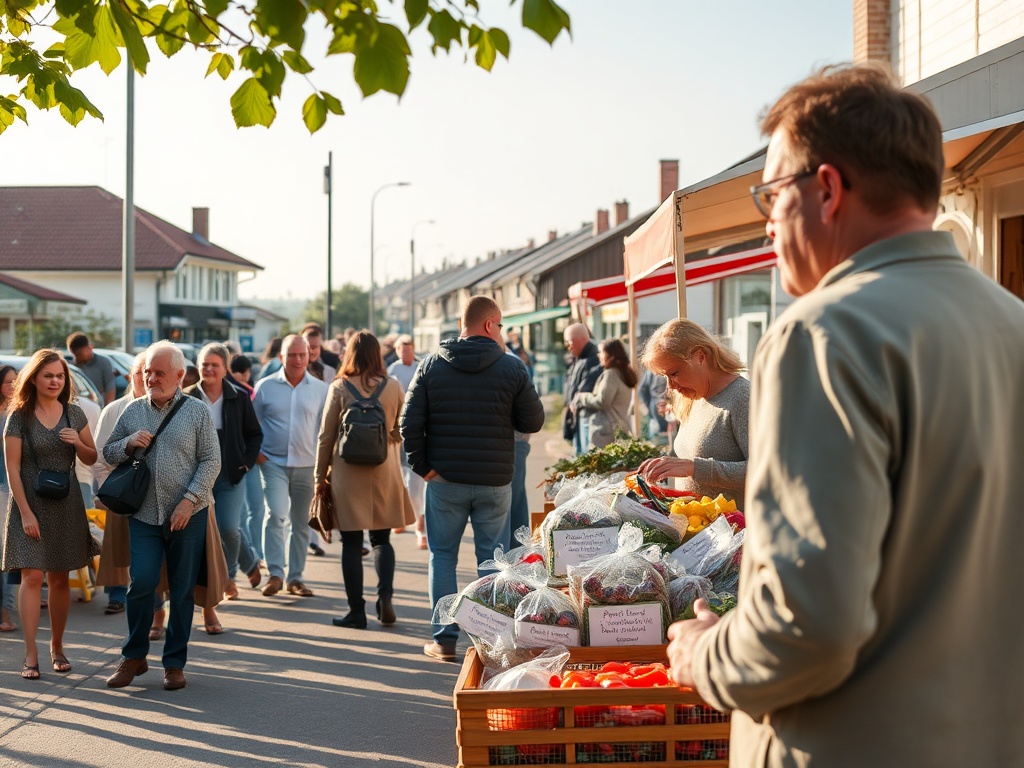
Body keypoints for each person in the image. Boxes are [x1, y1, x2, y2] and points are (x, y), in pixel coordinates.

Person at [667, 64, 1024, 767]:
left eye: (771, 196)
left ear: (826, 190)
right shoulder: (1011, 323)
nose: (767, 222)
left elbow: (809, 624)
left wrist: (706, 655)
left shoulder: (822, 336)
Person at [401, 296, 545, 661]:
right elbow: (533, 421)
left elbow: (408, 424)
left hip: (445, 481)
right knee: (491, 561)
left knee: (443, 557)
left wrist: (424, 467)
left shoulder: (432, 364)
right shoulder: (512, 368)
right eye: (500, 326)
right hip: (495, 482)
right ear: (488, 324)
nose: (502, 333)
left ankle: (444, 640)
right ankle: (488, 643)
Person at [103, 341, 220, 691]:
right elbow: (108, 453)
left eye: (159, 373)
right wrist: (128, 444)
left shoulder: (197, 411)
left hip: (189, 513)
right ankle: (134, 656)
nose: (151, 378)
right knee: (140, 584)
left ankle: (174, 663)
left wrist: (188, 501)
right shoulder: (133, 411)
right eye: (147, 372)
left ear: (180, 376)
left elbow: (211, 461)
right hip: (144, 515)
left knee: (182, 591)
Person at [1, 351, 101, 679]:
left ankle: (56, 646)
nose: (55, 381)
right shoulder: (19, 415)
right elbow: (12, 469)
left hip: (66, 503)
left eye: (59, 375)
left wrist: (78, 443)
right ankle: (31, 654)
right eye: (48, 375)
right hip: (28, 504)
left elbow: (91, 458)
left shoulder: (74, 414)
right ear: (34, 378)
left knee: (59, 579)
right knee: (31, 577)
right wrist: (26, 514)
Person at [315, 331, 414, 629]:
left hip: (347, 473)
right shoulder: (393, 387)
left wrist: (320, 477)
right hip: (385, 472)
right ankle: (385, 599)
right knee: (382, 539)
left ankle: (356, 611)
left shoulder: (339, 388)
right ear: (377, 355)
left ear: (349, 354)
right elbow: (402, 429)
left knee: (351, 543)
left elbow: (326, 437)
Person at [638, 319, 749, 510]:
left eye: (674, 373)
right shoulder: (691, 398)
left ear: (700, 356)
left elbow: (766, 471)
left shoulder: (743, 397)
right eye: (665, 377)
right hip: (697, 531)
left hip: (734, 533)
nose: (670, 387)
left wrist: (695, 468)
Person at [252, 335, 328, 598]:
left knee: (301, 523)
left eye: (302, 355)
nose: (297, 360)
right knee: (275, 514)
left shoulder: (321, 389)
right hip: (273, 463)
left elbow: (325, 430)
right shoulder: (264, 387)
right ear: (281, 357)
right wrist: (258, 454)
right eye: (292, 355)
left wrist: (325, 466)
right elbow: (252, 425)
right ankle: (275, 574)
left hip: (308, 465)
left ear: (309, 356)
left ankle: (295, 578)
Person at [185, 344, 263, 599]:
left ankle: (229, 575)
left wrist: (246, 463)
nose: (208, 369)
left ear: (225, 368)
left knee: (229, 528)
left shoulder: (238, 397)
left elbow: (254, 435)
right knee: (206, 533)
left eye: (214, 364)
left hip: (230, 475)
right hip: (195, 477)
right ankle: (236, 572)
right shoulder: (186, 397)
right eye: (204, 364)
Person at [93, 353, 146, 619]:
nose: (148, 378)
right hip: (120, 491)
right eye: (141, 372)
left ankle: (152, 602)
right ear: (130, 377)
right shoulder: (114, 409)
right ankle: (116, 595)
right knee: (116, 545)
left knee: (145, 552)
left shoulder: (170, 408)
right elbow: (99, 453)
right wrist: (105, 490)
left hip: (153, 493)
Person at [387, 335, 426, 547]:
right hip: (398, 428)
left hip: (420, 428)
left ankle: (420, 524)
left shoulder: (422, 367)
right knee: (401, 478)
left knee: (415, 481)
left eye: (409, 349)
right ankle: (402, 517)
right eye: (402, 350)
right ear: (397, 351)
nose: (406, 353)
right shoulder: (392, 371)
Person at [572, 338, 637, 449]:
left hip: (606, 431)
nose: (599, 355)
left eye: (601, 352)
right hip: (618, 427)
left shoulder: (611, 374)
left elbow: (602, 401)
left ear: (611, 354)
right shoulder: (623, 372)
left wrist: (582, 397)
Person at [562, 323, 602, 456]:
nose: (568, 346)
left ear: (582, 339)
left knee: (583, 456)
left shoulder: (592, 359)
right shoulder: (578, 358)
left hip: (585, 416)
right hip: (578, 415)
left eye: (569, 341)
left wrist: (575, 401)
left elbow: (586, 387)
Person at [0, 365, 17, 632]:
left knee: (6, 553)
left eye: (17, 381)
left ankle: (5, 614)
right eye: (8, 382)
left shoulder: (20, 412)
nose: (13, 386)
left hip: (11, 488)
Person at [67, 332, 116, 405]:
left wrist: (106, 409)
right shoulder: (71, 367)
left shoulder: (103, 362)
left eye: (80, 354)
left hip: (98, 406)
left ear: (90, 347)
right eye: (75, 355)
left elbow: (110, 388)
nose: (77, 358)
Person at [637, 367, 669, 442]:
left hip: (658, 404)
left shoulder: (653, 368)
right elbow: (642, 390)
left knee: (656, 441)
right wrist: (648, 405)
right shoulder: (652, 368)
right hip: (658, 404)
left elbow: (642, 389)